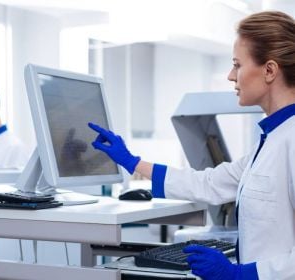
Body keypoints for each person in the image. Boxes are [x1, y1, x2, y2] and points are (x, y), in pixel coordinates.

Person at [89, 11, 295, 280]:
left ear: (269, 70)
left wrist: (242, 274)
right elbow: (209, 183)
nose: (231, 76)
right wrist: (132, 162)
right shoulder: (271, 139)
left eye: (237, 65)